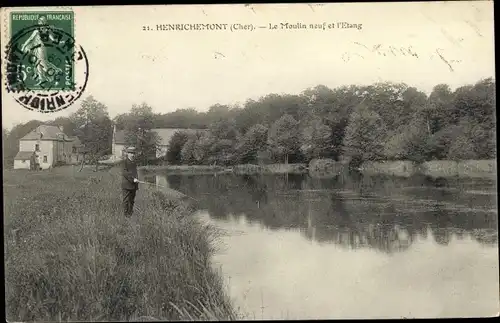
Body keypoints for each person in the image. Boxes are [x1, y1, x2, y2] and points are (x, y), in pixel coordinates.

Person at [121, 147, 139, 217]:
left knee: (132, 201)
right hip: (126, 185)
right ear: (127, 154)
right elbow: (125, 173)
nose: (132, 155)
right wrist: (133, 179)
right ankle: (126, 216)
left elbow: (135, 173)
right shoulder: (124, 162)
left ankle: (130, 214)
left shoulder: (134, 163)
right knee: (126, 201)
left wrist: (137, 180)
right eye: (131, 153)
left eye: (133, 153)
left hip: (133, 186)